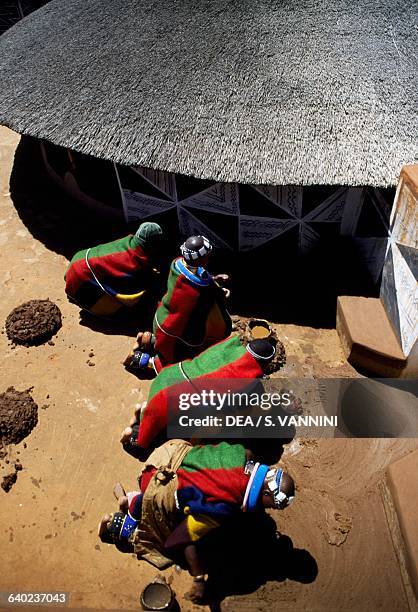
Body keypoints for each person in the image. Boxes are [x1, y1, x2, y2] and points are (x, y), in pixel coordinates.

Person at [98, 440, 295, 604]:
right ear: (267, 492)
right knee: (162, 544)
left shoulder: (244, 453)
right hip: (158, 482)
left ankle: (134, 502)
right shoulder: (222, 507)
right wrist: (199, 578)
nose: (270, 509)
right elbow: (182, 538)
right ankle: (119, 524)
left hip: (170, 452)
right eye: (273, 504)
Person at [120, 335, 277, 456]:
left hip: (169, 374)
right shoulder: (247, 382)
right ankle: (134, 436)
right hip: (169, 398)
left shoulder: (231, 344)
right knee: (151, 437)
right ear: (264, 364)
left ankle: (142, 363)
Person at [147, 235, 232, 370]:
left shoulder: (178, 264)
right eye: (207, 257)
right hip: (175, 329)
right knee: (181, 357)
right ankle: (147, 362)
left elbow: (201, 277)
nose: (209, 259)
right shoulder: (193, 294)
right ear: (199, 259)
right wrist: (220, 295)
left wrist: (214, 279)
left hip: (162, 315)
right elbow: (199, 313)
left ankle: (148, 340)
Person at [64, 222, 163, 319]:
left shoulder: (126, 241)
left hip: (77, 260)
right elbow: (134, 293)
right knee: (127, 311)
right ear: (152, 245)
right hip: (80, 278)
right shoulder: (135, 262)